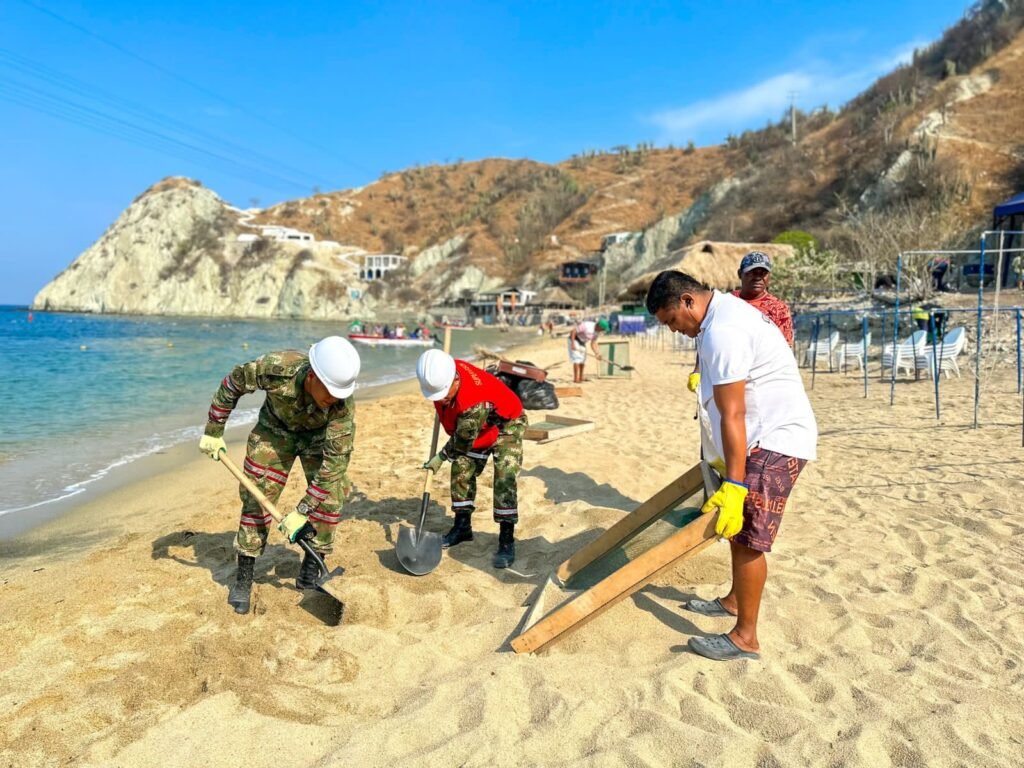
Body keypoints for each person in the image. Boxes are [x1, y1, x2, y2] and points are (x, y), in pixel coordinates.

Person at [646, 271, 817, 661]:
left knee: (746, 539)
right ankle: (734, 602)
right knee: (739, 531)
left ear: (688, 301)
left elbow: (733, 413)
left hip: (774, 441)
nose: (674, 330)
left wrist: (736, 485)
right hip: (764, 436)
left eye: (672, 320)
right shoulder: (718, 318)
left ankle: (745, 638)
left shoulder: (725, 329)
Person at [198, 336, 359, 615]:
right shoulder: (276, 369)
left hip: (319, 439)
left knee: (331, 497)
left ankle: (311, 569)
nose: (332, 399)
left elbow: (334, 465)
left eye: (338, 394)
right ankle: (244, 577)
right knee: (256, 496)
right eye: (329, 392)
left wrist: (303, 510)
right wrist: (214, 429)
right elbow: (232, 384)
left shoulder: (341, 407)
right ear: (312, 375)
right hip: (274, 433)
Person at [416, 349, 527, 568]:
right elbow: (461, 434)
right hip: (482, 425)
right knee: (462, 467)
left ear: (455, 379)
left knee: (504, 478)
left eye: (444, 393)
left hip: (507, 423)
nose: (442, 398)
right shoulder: (444, 370)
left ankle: (506, 539)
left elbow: (462, 441)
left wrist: (440, 457)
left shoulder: (473, 400)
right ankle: (462, 526)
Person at [688, 251, 794, 394]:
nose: (758, 277)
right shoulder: (724, 302)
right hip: (723, 375)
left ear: (769, 277)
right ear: (740, 274)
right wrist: (697, 370)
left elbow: (783, 351)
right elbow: (705, 338)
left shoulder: (778, 310)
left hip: (760, 381)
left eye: (763, 273)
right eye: (751, 272)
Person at [568, 318, 610, 383]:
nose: (603, 330)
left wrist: (597, 353)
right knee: (577, 359)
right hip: (574, 340)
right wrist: (573, 344)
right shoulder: (587, 325)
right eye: (603, 329)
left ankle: (581, 377)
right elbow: (573, 331)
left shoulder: (597, 333)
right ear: (599, 326)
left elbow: (593, 343)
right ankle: (576, 379)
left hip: (582, 342)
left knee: (583, 360)